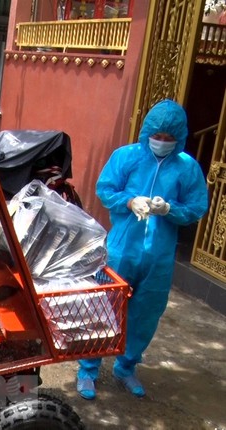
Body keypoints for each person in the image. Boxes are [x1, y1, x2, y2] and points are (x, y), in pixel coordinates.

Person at [76, 99, 208, 400]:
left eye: (168, 138)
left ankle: (126, 366)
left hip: (159, 256)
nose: (161, 142)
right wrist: (129, 201)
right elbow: (105, 188)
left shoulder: (187, 168)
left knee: (145, 313)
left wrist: (169, 209)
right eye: (157, 136)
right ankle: (88, 369)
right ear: (147, 131)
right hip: (123, 248)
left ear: (179, 138)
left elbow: (196, 206)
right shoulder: (127, 156)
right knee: (105, 306)